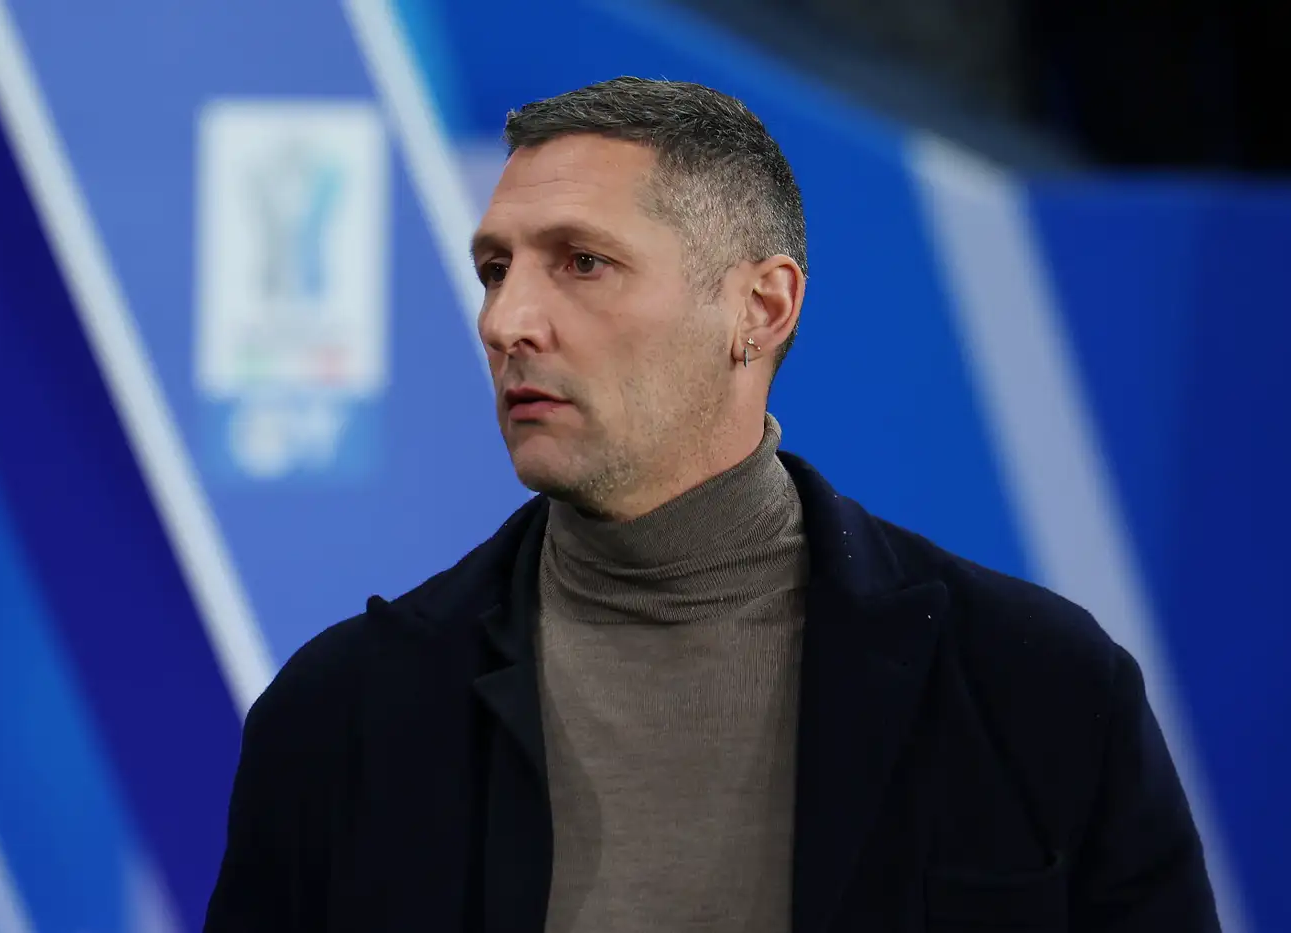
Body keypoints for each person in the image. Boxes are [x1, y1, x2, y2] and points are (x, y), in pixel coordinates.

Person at [204, 77, 1219, 933]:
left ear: (760, 309)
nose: (507, 320)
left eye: (582, 262)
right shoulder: (343, 716)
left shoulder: (1037, 689)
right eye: (495, 269)